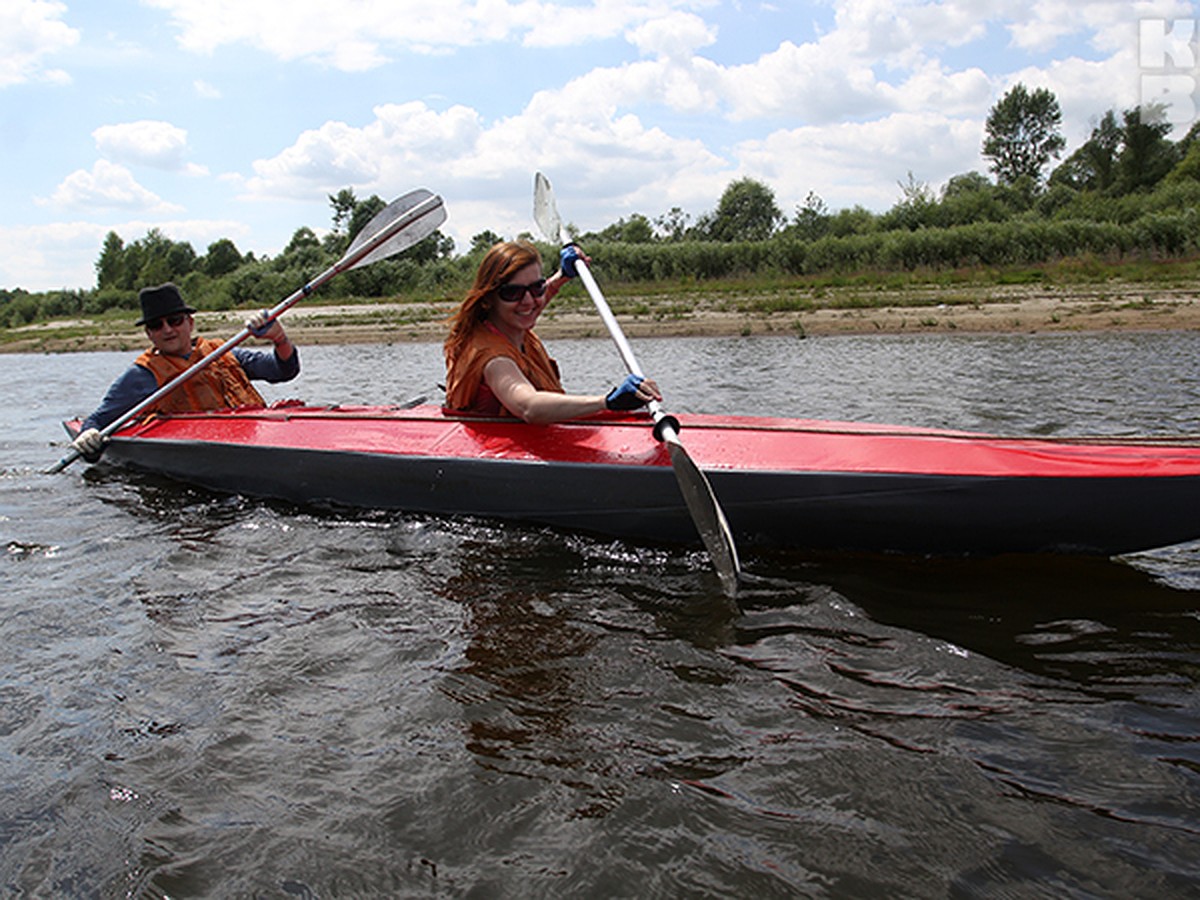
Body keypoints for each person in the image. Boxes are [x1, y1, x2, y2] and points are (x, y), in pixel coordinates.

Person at [71, 283, 300, 459]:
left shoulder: (223, 351)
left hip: (251, 440)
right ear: (149, 334)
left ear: (190, 323)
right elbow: (99, 419)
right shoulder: (142, 375)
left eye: (175, 320)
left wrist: (279, 338)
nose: (168, 330)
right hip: (200, 453)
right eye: (156, 325)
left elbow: (284, 370)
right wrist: (88, 437)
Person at [444, 240, 661, 423]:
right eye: (512, 292)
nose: (529, 301)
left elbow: (530, 302)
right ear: (489, 298)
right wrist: (607, 401)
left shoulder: (509, 324)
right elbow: (527, 406)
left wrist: (562, 276)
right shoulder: (494, 359)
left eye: (536, 287)